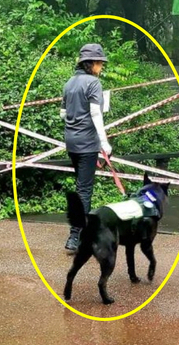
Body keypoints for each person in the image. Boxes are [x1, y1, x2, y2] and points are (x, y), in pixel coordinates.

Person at [60, 43, 112, 253]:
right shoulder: (93, 83)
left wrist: (76, 114)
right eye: (99, 63)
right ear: (90, 63)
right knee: (84, 189)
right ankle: (75, 237)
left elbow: (62, 114)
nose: (101, 67)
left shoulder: (69, 84)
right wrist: (104, 143)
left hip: (71, 142)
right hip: (87, 144)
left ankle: (82, 232)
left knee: (81, 185)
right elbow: (96, 115)